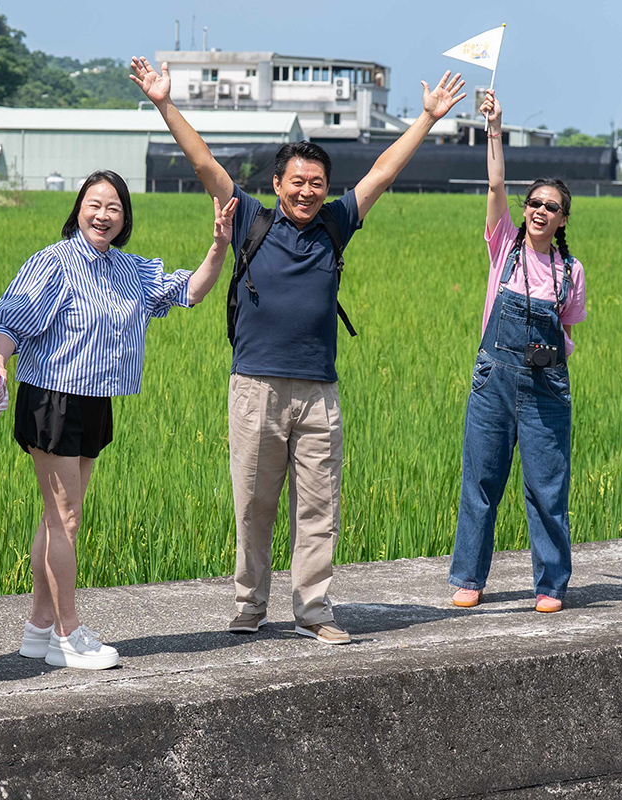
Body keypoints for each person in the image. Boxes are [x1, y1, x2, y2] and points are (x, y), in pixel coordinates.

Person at [130, 57, 467, 644]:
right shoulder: (250, 221)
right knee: (253, 504)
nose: (308, 192)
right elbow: (204, 161)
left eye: (318, 184)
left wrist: (429, 118)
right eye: (298, 182)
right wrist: (164, 102)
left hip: (319, 390)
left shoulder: (336, 224)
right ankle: (249, 604)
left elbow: (383, 172)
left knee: (318, 507)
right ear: (278, 184)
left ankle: (313, 610)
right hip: (256, 385)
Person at [0, 170, 238, 669]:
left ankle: (37, 630)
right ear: (78, 209)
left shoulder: (130, 270)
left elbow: (189, 291)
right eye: (94, 204)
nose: (103, 214)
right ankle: (66, 633)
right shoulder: (53, 262)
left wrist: (219, 247)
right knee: (66, 519)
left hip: (97, 400)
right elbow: (12, 320)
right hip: (52, 397)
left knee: (56, 519)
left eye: (114, 208)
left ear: (124, 219)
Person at [448, 89, 587, 613]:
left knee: (547, 489)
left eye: (551, 207)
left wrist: (548, 364)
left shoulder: (569, 272)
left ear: (562, 220)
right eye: (534, 204)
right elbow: (495, 182)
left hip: (546, 387)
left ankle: (550, 584)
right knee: (481, 481)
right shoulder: (502, 245)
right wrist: (495, 128)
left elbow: (569, 333)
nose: (539, 211)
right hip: (494, 381)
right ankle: (468, 578)